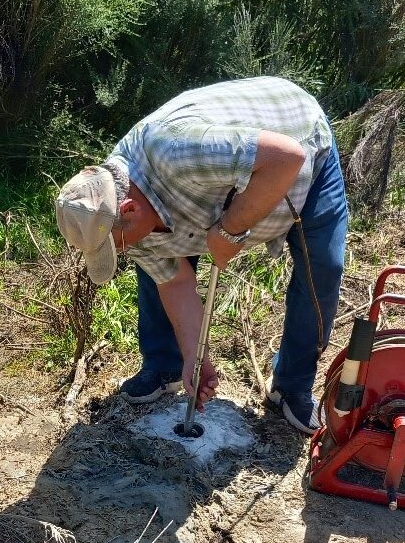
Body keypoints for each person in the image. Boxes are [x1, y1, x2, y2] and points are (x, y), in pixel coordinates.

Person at [55, 76, 348, 434]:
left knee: (324, 267)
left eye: (117, 243)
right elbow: (174, 281)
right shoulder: (112, 205)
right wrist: (196, 357)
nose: (122, 251)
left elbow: (286, 157)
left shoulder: (177, 152)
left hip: (302, 142)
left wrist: (231, 229)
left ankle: (292, 387)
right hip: (242, 174)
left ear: (130, 210)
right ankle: (168, 366)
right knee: (153, 266)